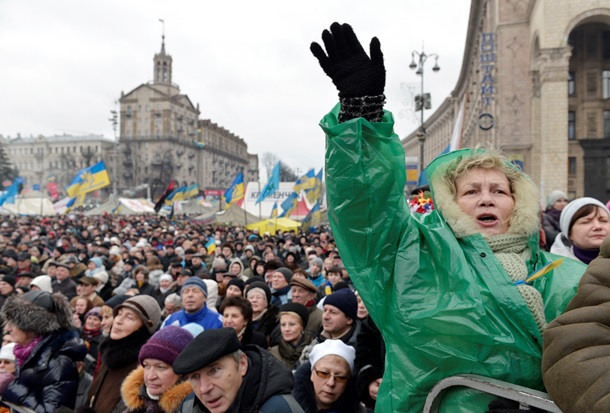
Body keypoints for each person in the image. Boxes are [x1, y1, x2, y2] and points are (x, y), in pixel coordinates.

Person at [310, 22, 586, 412]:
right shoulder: (412, 258)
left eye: (499, 191)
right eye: (471, 191)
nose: (486, 200)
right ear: (450, 204)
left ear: (517, 203)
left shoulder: (566, 276)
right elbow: (365, 211)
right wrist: (362, 114)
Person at [542, 235, 610, 413]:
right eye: (585, 220)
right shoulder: (557, 270)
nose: (596, 226)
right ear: (570, 234)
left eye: (602, 219)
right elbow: (578, 345)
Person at [173, 328, 304, 413]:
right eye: (195, 377)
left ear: (242, 364)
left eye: (214, 370)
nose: (204, 389)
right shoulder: (189, 406)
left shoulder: (280, 409)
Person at [1, 290, 87, 412]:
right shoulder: (25, 352)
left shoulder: (58, 362)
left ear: (32, 326)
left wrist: (11, 388)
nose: (8, 329)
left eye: (14, 323)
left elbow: (52, 411)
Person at [87, 295, 162, 412]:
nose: (118, 321)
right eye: (119, 314)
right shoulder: (110, 353)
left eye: (129, 317)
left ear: (144, 327)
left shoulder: (143, 367)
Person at [120, 326, 193, 413]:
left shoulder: (193, 407)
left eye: (160, 367)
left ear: (182, 371)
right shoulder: (137, 405)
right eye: (146, 366)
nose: (150, 377)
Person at [292, 339, 364, 413]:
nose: (331, 383)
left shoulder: (361, 411)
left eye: (340, 377)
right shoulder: (288, 407)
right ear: (312, 374)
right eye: (323, 373)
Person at [550, 197, 610, 264]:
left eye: (603, 221)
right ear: (569, 233)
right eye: (586, 222)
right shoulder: (554, 269)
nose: (597, 226)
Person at [269, 303, 311, 370]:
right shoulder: (272, 353)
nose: (286, 329)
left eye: (292, 324)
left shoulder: (314, 350)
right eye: (283, 325)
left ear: (302, 326)